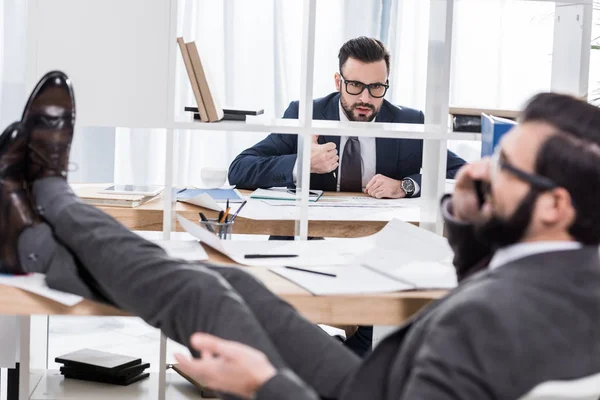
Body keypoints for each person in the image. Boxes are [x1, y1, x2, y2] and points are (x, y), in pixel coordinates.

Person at [3, 72, 600, 400]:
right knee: (220, 276)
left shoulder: (501, 319)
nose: (476, 167)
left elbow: (489, 303)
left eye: (501, 163)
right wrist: (473, 210)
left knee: (194, 290)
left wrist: (263, 386)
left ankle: (46, 194)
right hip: (376, 381)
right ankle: (32, 239)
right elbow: (243, 168)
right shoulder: (571, 265)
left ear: (555, 204)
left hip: (358, 389)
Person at [228, 36, 466, 199]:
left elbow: (462, 173)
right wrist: (302, 163)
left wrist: (406, 186)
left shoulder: (410, 122)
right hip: (309, 234)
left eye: (376, 87)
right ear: (337, 81)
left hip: (381, 239)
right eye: (354, 85)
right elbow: (239, 169)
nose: (365, 98)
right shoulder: (304, 114)